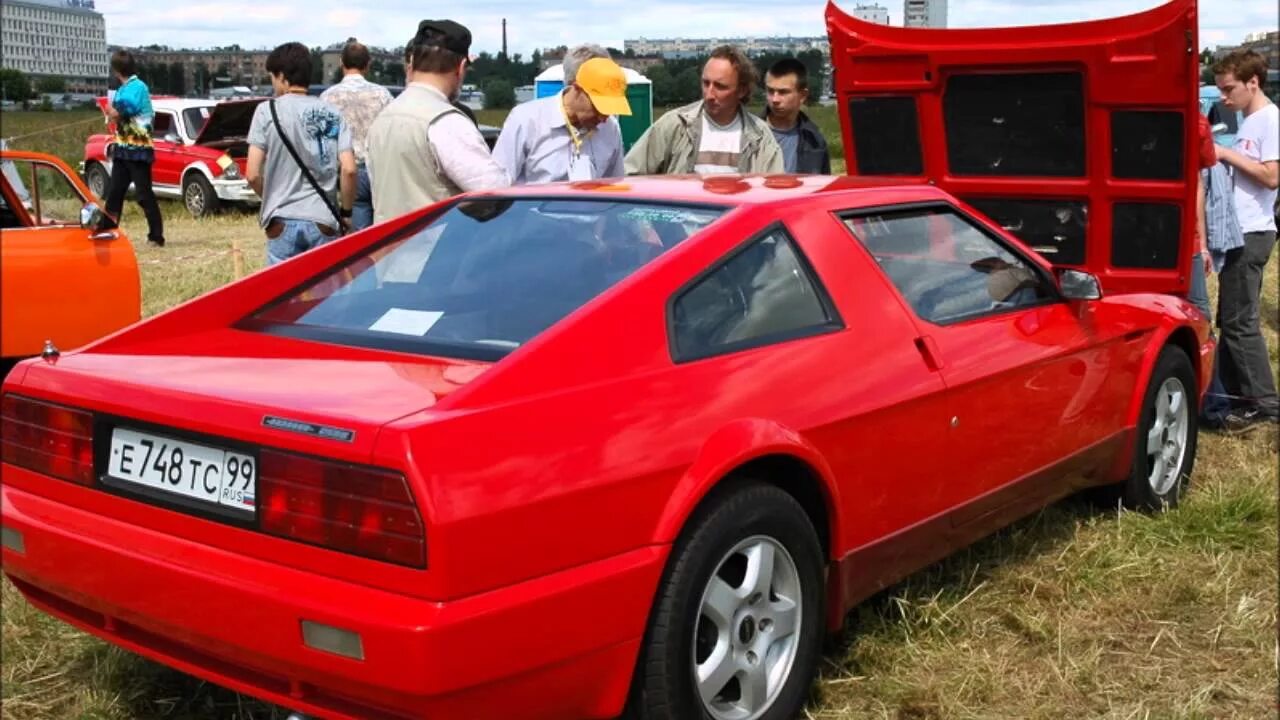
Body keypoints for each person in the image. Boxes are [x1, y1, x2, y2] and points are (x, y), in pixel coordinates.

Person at [366, 19, 508, 224]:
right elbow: (495, 190)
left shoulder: (382, 119)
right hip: (435, 250)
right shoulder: (446, 121)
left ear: (412, 63)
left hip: (387, 250)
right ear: (460, 68)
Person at [1211, 49, 1279, 431]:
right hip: (1242, 231)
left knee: (1240, 323)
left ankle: (1265, 404)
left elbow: (1271, 177)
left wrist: (1224, 153)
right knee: (1232, 318)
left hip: (1253, 231)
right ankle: (1232, 396)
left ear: (1253, 82)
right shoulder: (1252, 120)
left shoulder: (1269, 119)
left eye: (1229, 89)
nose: (1224, 97)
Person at [245, 42, 357, 265]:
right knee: (325, 295)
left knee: (283, 295)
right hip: (323, 218)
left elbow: (252, 174)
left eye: (273, 78)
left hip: (281, 219)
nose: (273, 85)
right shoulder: (332, 113)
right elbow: (349, 169)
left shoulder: (266, 111)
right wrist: (345, 212)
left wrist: (271, 197)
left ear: (283, 77)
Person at [625, 45, 783, 176]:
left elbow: (772, 193)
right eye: (706, 83)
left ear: (741, 90)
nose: (709, 94)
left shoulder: (761, 138)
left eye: (720, 86)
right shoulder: (674, 125)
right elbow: (631, 174)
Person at [493, 47, 631, 184]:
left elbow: (614, 185)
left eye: (611, 107)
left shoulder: (610, 128)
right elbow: (498, 183)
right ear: (576, 88)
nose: (603, 117)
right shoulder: (526, 120)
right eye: (599, 106)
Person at [320, 39, 393, 231]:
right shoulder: (382, 95)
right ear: (368, 65)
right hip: (380, 169)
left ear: (342, 63)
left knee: (359, 238)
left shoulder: (328, 97)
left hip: (347, 171)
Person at [98, 49, 165, 246]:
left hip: (139, 149)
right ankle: (107, 230)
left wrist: (112, 111)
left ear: (116, 69)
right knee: (115, 193)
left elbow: (127, 108)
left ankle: (156, 236)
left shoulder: (138, 86)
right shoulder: (121, 88)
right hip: (123, 147)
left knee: (144, 194)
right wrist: (111, 112)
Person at [762, 58, 830, 174]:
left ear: (802, 96)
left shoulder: (815, 141)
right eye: (770, 91)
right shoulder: (748, 134)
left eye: (783, 92)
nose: (775, 99)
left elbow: (822, 185)